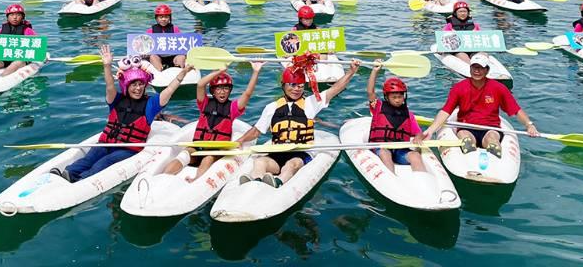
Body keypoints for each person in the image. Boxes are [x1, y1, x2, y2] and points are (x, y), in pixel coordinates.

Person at [52, 46, 193, 182]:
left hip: (127, 149)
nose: (138, 88)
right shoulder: (116, 99)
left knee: (105, 162)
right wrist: (107, 66)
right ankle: (67, 173)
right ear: (126, 85)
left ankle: (82, 179)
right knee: (90, 158)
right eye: (133, 85)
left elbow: (168, 91)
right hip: (106, 144)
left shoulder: (150, 105)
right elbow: (109, 86)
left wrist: (182, 74)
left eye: (140, 84)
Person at [236, 59, 360, 188]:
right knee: (260, 162)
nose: (296, 89)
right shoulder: (271, 107)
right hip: (277, 152)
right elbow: (257, 131)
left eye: (300, 86)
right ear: (283, 85)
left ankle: (278, 182)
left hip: (300, 153)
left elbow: (335, 89)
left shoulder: (311, 103)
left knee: (291, 164)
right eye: (292, 85)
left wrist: (351, 72)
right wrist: (240, 140)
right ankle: (255, 180)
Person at [415, 52, 539, 158]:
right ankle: (469, 162)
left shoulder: (499, 88)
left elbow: (516, 110)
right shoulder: (459, 88)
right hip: (466, 127)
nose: (476, 71)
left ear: (487, 70)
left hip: (490, 128)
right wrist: (431, 130)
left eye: (480, 68)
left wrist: (529, 125)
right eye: (474, 67)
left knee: (492, 142)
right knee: (466, 140)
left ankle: (493, 164)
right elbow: (446, 111)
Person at [163, 62, 263, 182]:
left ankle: (196, 180)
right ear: (213, 91)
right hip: (198, 146)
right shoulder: (204, 103)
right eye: (219, 88)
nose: (222, 92)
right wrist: (219, 71)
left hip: (216, 150)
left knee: (208, 158)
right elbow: (200, 84)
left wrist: (256, 71)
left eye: (226, 88)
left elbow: (247, 93)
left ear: (230, 90)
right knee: (184, 155)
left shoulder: (233, 108)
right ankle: (163, 177)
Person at [367, 61, 426, 173]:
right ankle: (391, 178)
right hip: (381, 147)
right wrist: (375, 71)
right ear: (387, 97)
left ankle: (423, 179)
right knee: (385, 153)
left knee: (415, 156)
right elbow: (370, 92)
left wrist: (418, 137)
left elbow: (418, 132)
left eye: (400, 96)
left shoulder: (408, 114)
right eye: (394, 97)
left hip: (400, 150)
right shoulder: (378, 107)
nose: (398, 100)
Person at [0, 4, 38, 75]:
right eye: (11, 15)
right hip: (5, 58)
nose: (15, 17)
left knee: (14, 65)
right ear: (7, 17)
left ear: (22, 17)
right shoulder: (0, 31)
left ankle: (2, 79)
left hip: (21, 59)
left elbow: (37, 46)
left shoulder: (28, 31)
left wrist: (41, 54)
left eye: (18, 15)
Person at [146, 5, 186, 71]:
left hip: (173, 55)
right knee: (152, 56)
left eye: (166, 17)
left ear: (169, 18)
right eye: (161, 17)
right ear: (156, 18)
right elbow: (146, 45)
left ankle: (178, 70)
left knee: (181, 56)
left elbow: (181, 43)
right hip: (159, 56)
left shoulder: (175, 29)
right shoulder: (150, 31)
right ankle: (160, 70)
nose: (164, 19)